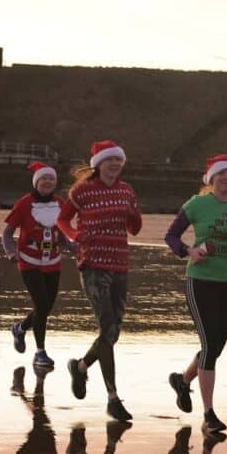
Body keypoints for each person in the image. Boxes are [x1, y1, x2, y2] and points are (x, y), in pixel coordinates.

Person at [165, 154, 227, 434]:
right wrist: (189, 251)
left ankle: (183, 381)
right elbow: (171, 236)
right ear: (212, 178)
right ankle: (209, 415)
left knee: (215, 347)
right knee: (209, 345)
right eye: (222, 174)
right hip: (200, 280)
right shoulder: (198, 204)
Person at [56, 141, 143, 421]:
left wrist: (133, 213)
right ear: (98, 164)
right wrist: (73, 234)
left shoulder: (127, 190)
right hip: (93, 264)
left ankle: (80, 368)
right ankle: (113, 398)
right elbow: (62, 219)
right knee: (107, 329)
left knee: (114, 332)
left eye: (119, 161)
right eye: (110, 161)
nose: (115, 165)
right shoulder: (82, 191)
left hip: (120, 264)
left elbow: (135, 229)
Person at [2, 162, 68, 368]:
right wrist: (12, 252)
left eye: (51, 179)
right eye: (44, 179)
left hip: (53, 262)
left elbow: (63, 235)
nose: (48, 182)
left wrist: (78, 250)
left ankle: (20, 328)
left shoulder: (60, 203)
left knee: (46, 307)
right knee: (41, 305)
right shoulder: (24, 204)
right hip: (29, 263)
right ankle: (40, 353)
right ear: (36, 182)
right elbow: (6, 234)